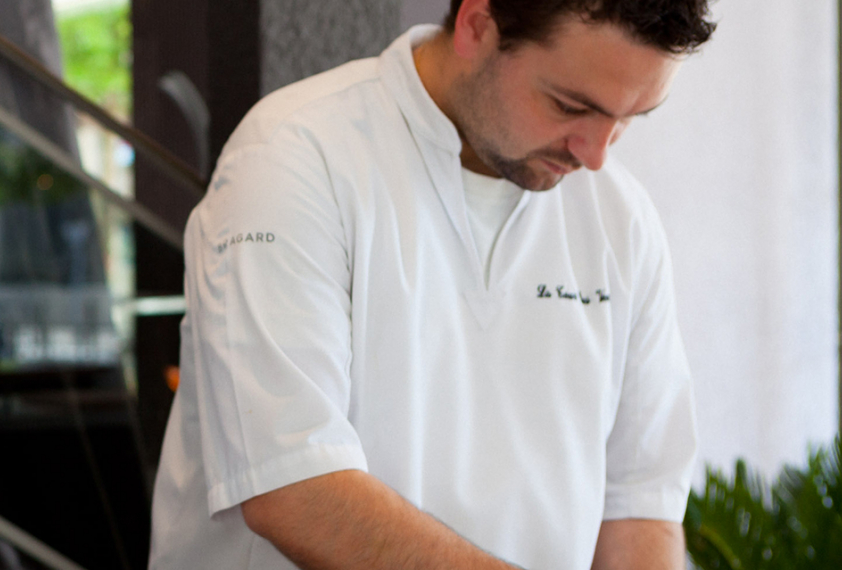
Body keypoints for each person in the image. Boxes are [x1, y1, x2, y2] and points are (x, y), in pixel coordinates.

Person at [150, 0, 714, 568]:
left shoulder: (622, 218)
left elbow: (638, 504)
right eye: (570, 106)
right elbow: (295, 490)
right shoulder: (295, 158)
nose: (595, 155)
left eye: (630, 119)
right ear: (476, 24)